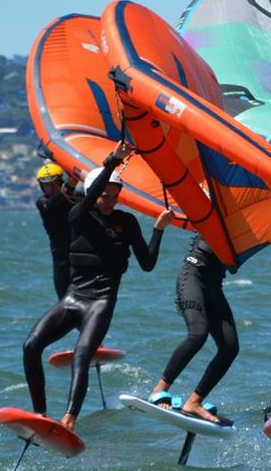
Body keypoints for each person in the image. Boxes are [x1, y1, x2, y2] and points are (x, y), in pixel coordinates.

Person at [22, 141, 174, 431]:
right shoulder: (78, 216)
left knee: (82, 354)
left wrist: (158, 230)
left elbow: (148, 264)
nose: (110, 201)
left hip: (101, 302)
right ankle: (40, 414)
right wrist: (112, 162)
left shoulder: (127, 222)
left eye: (115, 196)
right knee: (30, 346)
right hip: (73, 298)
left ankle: (68, 419)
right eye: (104, 196)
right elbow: (91, 194)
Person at [146, 235, 238, 426]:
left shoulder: (246, 232)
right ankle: (159, 389)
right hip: (193, 275)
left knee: (230, 347)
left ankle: (194, 402)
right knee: (198, 334)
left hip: (214, 285)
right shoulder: (217, 213)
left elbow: (233, 266)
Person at [34, 162, 81, 299]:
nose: (50, 188)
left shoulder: (76, 196)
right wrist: (72, 181)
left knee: (84, 297)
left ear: (60, 182)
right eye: (46, 185)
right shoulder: (42, 203)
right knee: (64, 300)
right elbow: (54, 203)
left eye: (54, 184)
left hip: (80, 253)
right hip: (60, 258)